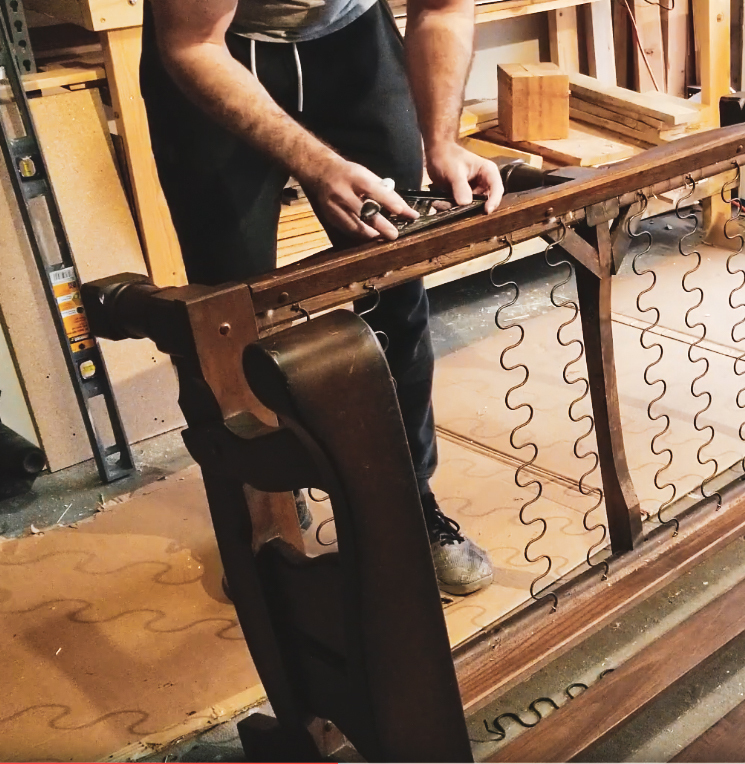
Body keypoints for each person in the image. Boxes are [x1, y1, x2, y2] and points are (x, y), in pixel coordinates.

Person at [142, 0, 504, 595]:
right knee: (227, 316)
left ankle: (408, 505)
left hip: (351, 38)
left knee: (395, 283)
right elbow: (190, 43)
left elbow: (442, 7)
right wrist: (316, 164)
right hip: (218, 47)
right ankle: (267, 513)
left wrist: (441, 140)